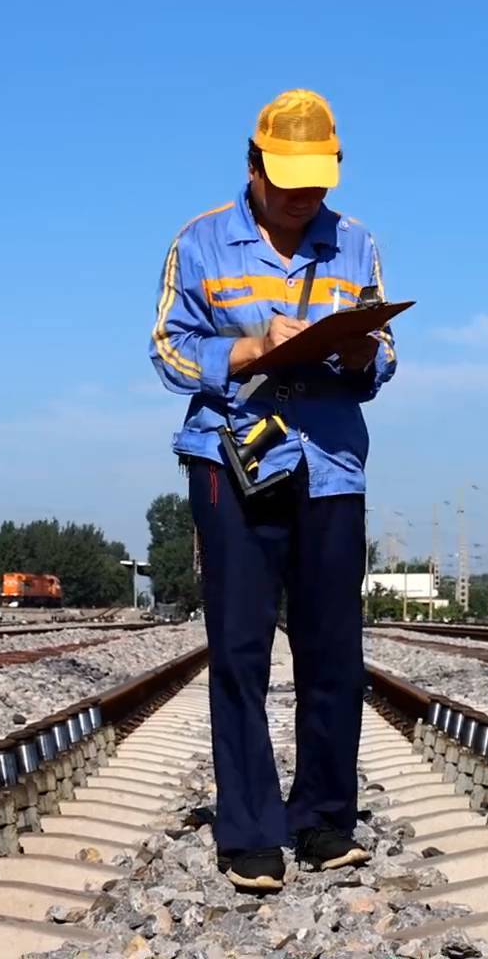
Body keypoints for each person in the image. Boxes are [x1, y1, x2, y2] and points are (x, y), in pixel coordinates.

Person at [148, 88, 397, 892]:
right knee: (240, 652)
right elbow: (167, 352)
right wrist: (252, 351)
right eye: (289, 180)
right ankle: (249, 829)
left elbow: (384, 354)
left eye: (318, 181)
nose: (304, 197)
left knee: (335, 656)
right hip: (232, 463)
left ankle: (323, 820)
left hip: (330, 469)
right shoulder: (200, 244)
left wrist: (361, 355)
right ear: (253, 169)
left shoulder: (356, 246)